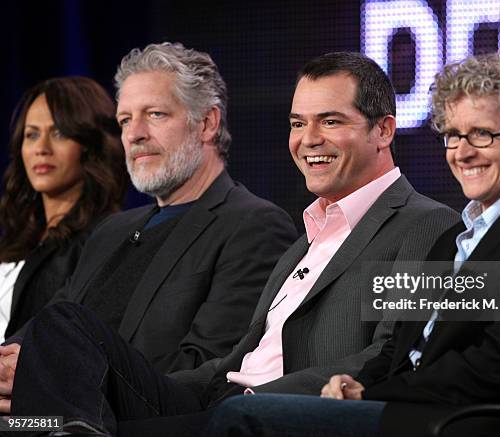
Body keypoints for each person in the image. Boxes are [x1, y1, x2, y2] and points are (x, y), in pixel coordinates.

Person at [3, 51, 457, 435]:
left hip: (270, 413)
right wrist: (140, 386)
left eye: (330, 121)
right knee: (62, 330)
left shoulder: (425, 225)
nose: (308, 139)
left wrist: (253, 397)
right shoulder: (307, 238)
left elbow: (386, 355)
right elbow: (237, 359)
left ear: (383, 131)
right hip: (218, 401)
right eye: (298, 123)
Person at [203, 54, 500, 437]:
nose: (463, 151)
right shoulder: (453, 241)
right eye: (453, 135)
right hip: (411, 410)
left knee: (243, 416)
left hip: (471, 422)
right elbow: (398, 348)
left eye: (482, 134)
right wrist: (358, 386)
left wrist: (379, 395)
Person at [0, 42, 297, 426]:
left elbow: (211, 371)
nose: (135, 135)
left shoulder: (253, 225)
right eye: (124, 120)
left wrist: (50, 375)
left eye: (155, 114)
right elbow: (41, 327)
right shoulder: (111, 230)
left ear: (207, 123)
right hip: (53, 415)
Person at [0, 76, 127, 341]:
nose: (41, 149)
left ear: (90, 145)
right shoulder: (18, 236)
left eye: (59, 133)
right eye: (31, 134)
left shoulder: (103, 239)